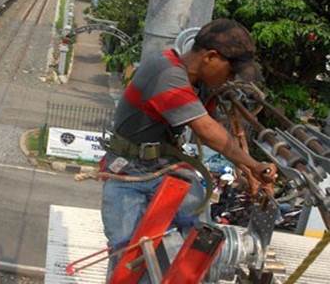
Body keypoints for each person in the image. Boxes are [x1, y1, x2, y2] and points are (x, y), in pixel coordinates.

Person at [100, 18, 277, 281]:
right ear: (211, 57)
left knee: (200, 234)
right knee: (129, 253)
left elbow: (211, 132)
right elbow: (205, 129)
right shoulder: (165, 71)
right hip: (127, 173)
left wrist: (245, 169)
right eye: (230, 72)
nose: (230, 79)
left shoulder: (200, 83)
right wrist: (253, 164)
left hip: (166, 164)